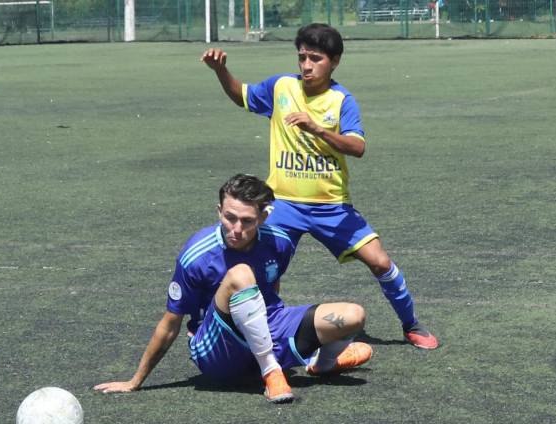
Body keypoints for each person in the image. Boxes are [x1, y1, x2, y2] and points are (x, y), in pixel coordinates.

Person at [200, 24, 439, 350]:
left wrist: (317, 129)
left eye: (316, 58)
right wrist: (221, 71)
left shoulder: (342, 101)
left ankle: (411, 324)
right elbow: (241, 95)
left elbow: (357, 147)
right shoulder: (281, 87)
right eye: (302, 57)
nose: (307, 65)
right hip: (281, 203)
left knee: (380, 262)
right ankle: (222, 322)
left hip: (331, 207)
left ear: (335, 61)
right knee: (253, 262)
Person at [94, 174, 373, 403]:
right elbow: (170, 323)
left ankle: (322, 365)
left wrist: (279, 328)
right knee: (240, 274)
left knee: (353, 315)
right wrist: (135, 381)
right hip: (216, 348)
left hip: (267, 324)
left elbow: (272, 285)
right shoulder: (196, 254)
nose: (236, 229)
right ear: (219, 211)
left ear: (263, 218)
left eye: (247, 221)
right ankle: (271, 372)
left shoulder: (280, 242)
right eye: (229, 217)